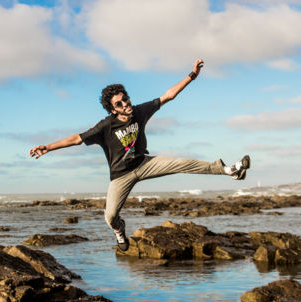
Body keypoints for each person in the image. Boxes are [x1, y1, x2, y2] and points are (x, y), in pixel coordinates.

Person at [29, 59, 250, 251]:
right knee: (110, 216)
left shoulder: (140, 111)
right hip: (120, 176)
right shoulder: (105, 126)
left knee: (181, 162)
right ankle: (119, 232)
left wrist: (192, 75)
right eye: (120, 103)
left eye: (126, 99)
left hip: (144, 163)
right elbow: (76, 139)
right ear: (112, 109)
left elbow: (168, 96)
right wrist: (47, 147)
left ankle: (229, 170)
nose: (126, 104)